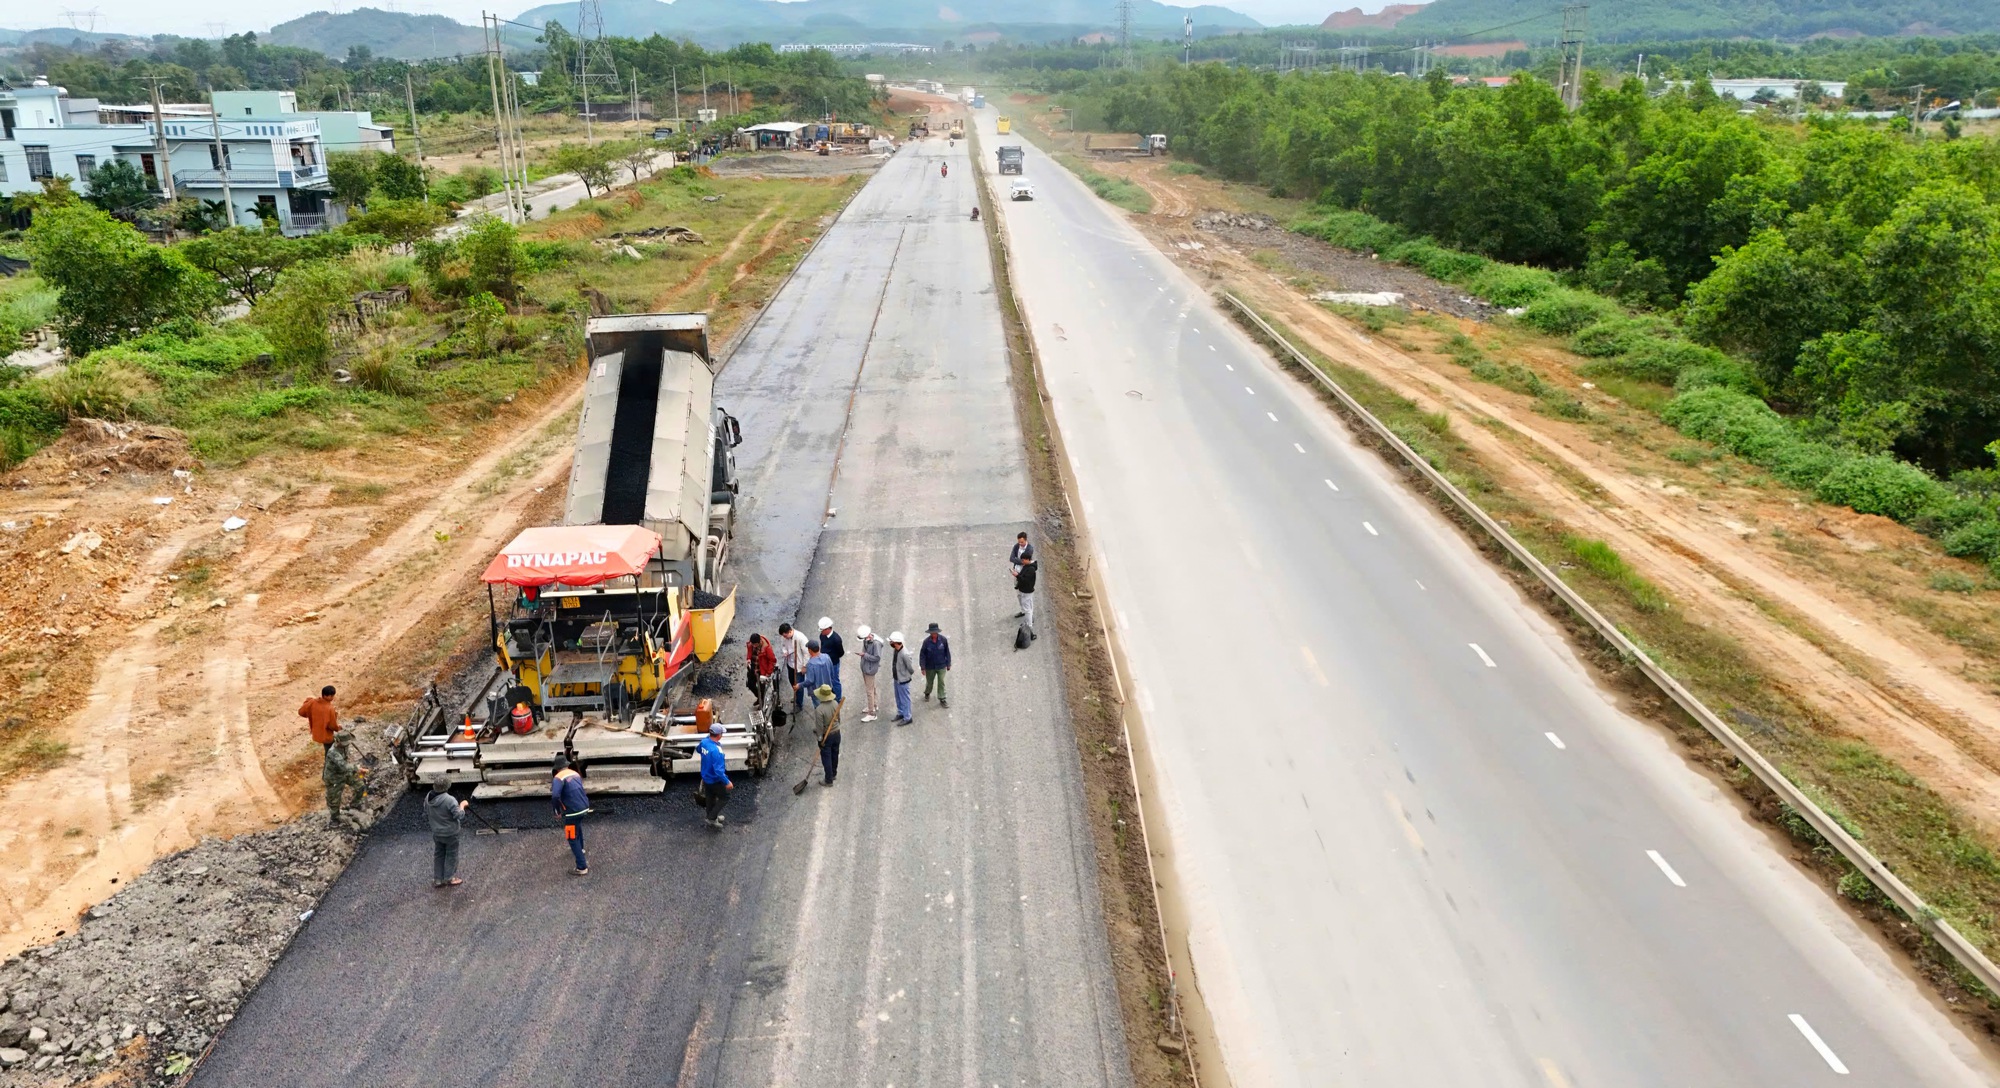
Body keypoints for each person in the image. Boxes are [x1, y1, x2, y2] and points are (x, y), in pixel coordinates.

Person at [551, 755, 592, 875]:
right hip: (584, 806)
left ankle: (581, 867)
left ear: (557, 768)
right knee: (577, 826)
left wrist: (557, 811)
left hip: (572, 811)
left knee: (571, 836)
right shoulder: (575, 773)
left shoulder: (558, 778)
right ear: (567, 765)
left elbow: (555, 796)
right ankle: (581, 849)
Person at [426, 782, 469, 887]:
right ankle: (449, 878)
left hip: (437, 832)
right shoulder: (449, 800)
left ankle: (438, 879)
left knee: (439, 854)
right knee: (451, 854)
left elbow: (426, 810)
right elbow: (459, 815)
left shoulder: (428, 798)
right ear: (447, 786)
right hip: (450, 833)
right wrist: (462, 805)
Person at [322, 730, 363, 826]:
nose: (347, 745)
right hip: (334, 778)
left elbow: (346, 762)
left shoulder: (344, 746)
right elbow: (343, 766)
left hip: (344, 773)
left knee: (360, 786)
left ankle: (354, 804)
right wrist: (357, 768)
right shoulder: (332, 752)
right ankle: (335, 817)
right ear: (338, 742)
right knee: (334, 799)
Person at [698, 722, 732, 829]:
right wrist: (727, 782)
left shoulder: (704, 742)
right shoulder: (717, 751)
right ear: (719, 735)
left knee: (710, 797)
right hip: (715, 779)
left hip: (706, 776)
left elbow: (698, 749)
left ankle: (711, 815)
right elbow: (718, 771)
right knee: (725, 797)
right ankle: (712, 818)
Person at [808, 683, 841, 785]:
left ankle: (828, 780)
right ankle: (834, 774)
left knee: (826, 757)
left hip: (827, 736)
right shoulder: (836, 703)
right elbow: (838, 718)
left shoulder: (819, 709)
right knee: (835, 754)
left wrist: (820, 739)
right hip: (837, 733)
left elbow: (819, 727)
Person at [778, 622, 810, 711]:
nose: (784, 638)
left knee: (798, 686)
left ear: (790, 631)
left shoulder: (801, 638)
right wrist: (785, 651)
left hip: (799, 666)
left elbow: (806, 653)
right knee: (792, 682)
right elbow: (783, 646)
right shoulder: (784, 638)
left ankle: (799, 704)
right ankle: (796, 697)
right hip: (790, 664)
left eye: (785, 636)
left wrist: (804, 666)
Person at [919, 622, 952, 708]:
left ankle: (942, 698)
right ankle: (927, 692)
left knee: (941, 681)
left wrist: (948, 664)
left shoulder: (943, 640)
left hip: (941, 666)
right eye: (932, 633)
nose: (934, 634)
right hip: (930, 667)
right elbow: (922, 655)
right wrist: (923, 667)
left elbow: (947, 652)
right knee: (930, 682)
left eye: (935, 632)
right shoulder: (926, 642)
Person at [856, 625, 883, 722]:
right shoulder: (868, 640)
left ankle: (871, 713)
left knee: (869, 691)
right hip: (866, 667)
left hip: (870, 669)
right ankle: (873, 705)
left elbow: (877, 658)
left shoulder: (876, 644)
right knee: (872, 688)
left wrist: (864, 655)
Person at [803, 638, 842, 704]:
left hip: (817, 692)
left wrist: (799, 685)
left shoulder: (810, 664)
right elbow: (832, 673)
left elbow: (810, 681)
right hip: (828, 689)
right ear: (819, 647)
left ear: (810, 650)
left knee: (819, 710)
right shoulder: (827, 657)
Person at [746, 633, 778, 711]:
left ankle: (761, 702)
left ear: (759, 642)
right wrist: (748, 659)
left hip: (762, 670)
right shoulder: (752, 644)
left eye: (755, 645)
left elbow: (772, 661)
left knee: (762, 688)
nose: (754, 646)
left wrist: (767, 673)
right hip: (753, 667)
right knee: (750, 684)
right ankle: (759, 698)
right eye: (752, 645)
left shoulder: (767, 648)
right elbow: (749, 651)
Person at [889, 632, 916, 724]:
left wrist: (905, 675)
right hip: (897, 678)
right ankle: (901, 712)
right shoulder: (896, 650)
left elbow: (910, 667)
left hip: (903, 680)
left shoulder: (905, 654)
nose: (890, 643)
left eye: (892, 642)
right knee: (898, 697)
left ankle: (907, 717)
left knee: (905, 699)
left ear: (896, 643)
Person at [1015, 551, 1039, 639]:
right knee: (1029, 607)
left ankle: (1029, 626)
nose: (1022, 561)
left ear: (1027, 560)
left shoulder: (1030, 569)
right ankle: (1028, 623)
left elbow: (1025, 580)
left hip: (1026, 591)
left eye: (1023, 560)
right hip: (1026, 591)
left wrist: (1017, 575)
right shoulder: (1028, 567)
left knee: (1027, 609)